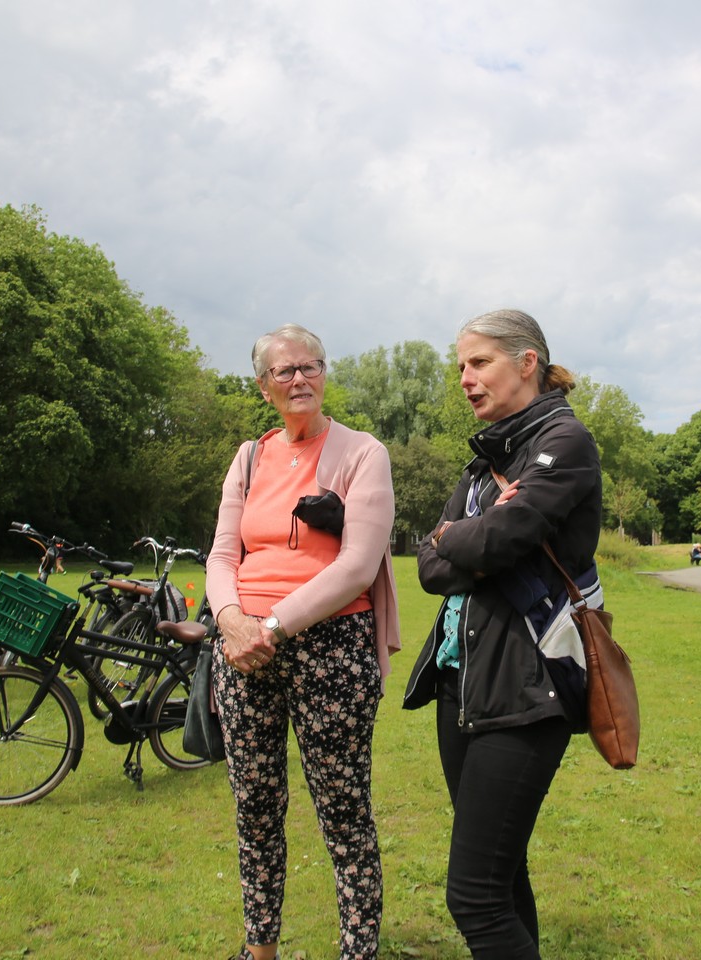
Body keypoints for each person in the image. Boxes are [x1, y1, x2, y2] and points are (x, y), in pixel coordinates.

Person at [403, 309, 603, 959]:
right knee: (502, 875)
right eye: (460, 365)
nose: (465, 377)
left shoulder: (565, 441)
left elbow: (496, 539)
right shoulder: (484, 460)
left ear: (527, 363)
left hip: (529, 685)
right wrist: (463, 541)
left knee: (474, 897)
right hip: (461, 683)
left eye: (479, 362)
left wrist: (457, 538)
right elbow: (429, 567)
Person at [205, 323, 400, 960]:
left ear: (323, 373)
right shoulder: (248, 458)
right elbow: (221, 555)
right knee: (255, 810)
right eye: (284, 371)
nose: (299, 379)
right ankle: (259, 950)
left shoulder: (362, 452)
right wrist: (231, 620)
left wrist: (270, 626)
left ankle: (357, 951)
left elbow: (358, 564)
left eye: (309, 366)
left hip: (330, 647)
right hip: (243, 650)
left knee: (344, 812)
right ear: (264, 387)